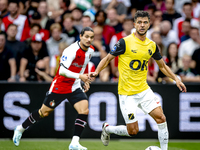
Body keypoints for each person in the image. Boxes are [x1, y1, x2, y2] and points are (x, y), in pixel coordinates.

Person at [89, 11, 187, 150]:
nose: (142, 25)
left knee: (161, 118)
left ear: (149, 24)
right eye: (139, 22)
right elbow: (107, 58)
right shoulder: (124, 42)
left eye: (145, 22)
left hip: (143, 90)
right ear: (134, 24)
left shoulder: (152, 45)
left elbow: (163, 66)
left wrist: (176, 79)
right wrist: (96, 72)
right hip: (127, 93)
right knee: (133, 131)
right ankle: (108, 129)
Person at [13, 27, 94, 150]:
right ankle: (20, 128)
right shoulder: (71, 50)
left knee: (84, 110)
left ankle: (74, 143)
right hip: (60, 86)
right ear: (81, 36)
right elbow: (61, 71)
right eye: (86, 36)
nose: (89, 39)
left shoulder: (91, 50)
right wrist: (80, 76)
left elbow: (81, 67)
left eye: (91, 37)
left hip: (74, 85)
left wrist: (83, 81)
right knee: (43, 113)